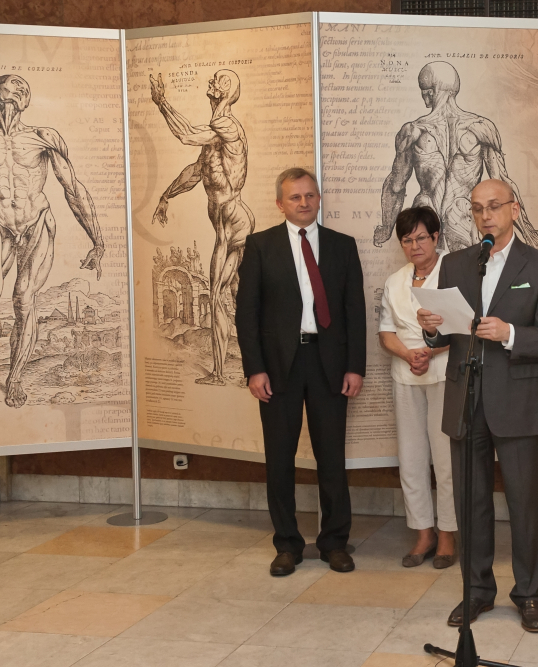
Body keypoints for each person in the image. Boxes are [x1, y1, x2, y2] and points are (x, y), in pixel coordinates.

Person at [416, 178, 538, 633]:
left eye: (494, 206)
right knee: (471, 501)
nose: (485, 216)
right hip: (465, 397)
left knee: (524, 503)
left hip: (517, 399)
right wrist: (431, 328)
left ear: (514, 210)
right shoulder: (456, 263)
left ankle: (529, 594)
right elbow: (445, 334)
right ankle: (477, 590)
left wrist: (510, 334)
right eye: (478, 208)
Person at [235, 167, 366, 577]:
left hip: (330, 366)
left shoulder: (343, 246)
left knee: (332, 458)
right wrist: (255, 369)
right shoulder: (260, 246)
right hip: (278, 368)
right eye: (295, 197)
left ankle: (334, 542)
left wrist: (355, 367)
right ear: (280, 204)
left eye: (310, 195)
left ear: (319, 199)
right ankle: (287, 544)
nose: (304, 202)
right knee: (279, 459)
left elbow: (355, 312)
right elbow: (246, 314)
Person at [0, 74, 105, 407]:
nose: (12, 97)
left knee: (24, 299)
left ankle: (15, 378)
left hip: (35, 223)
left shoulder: (42, 137)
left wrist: (97, 241)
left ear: (26, 100)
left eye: (18, 91)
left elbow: (73, 189)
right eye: (6, 91)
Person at [149, 69, 255, 386]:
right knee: (236, 296)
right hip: (228, 223)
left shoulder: (227, 125)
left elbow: (185, 134)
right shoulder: (214, 136)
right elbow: (196, 172)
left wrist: (161, 102)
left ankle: (221, 374)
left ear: (226, 90)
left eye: (217, 80)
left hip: (232, 224)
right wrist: (166, 195)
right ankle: (246, 369)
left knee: (219, 296)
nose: (211, 83)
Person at [377, 61, 538, 253]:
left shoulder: (412, 131)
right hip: (461, 214)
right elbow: (504, 184)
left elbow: (396, 185)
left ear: (431, 92)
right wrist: (528, 231)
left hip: (426, 217)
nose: (424, 96)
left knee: (434, 270)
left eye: (424, 91)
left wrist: (386, 228)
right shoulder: (480, 127)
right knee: (464, 269)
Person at [378, 206, 457, 569]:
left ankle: (447, 534)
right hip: (406, 373)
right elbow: (386, 332)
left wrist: (429, 352)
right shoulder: (395, 281)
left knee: (445, 458)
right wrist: (409, 355)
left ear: (436, 237)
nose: (414, 246)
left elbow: (463, 327)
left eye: (421, 238)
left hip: (443, 371)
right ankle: (423, 532)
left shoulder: (452, 273)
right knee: (411, 458)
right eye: (407, 240)